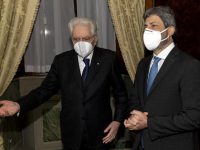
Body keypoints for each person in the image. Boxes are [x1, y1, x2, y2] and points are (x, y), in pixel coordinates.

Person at [0, 17, 128, 150]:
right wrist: (19, 104)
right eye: (76, 39)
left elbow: (121, 95)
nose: (81, 43)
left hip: (101, 131)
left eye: (86, 38)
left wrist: (117, 121)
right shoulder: (62, 61)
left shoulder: (109, 59)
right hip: (72, 132)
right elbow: (44, 91)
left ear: (94, 39)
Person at [124, 6, 200, 150]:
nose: (148, 31)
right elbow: (135, 99)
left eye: (154, 26)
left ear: (170, 31)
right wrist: (134, 118)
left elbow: (195, 116)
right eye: (146, 26)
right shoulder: (143, 64)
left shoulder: (189, 65)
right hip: (141, 144)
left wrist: (149, 123)